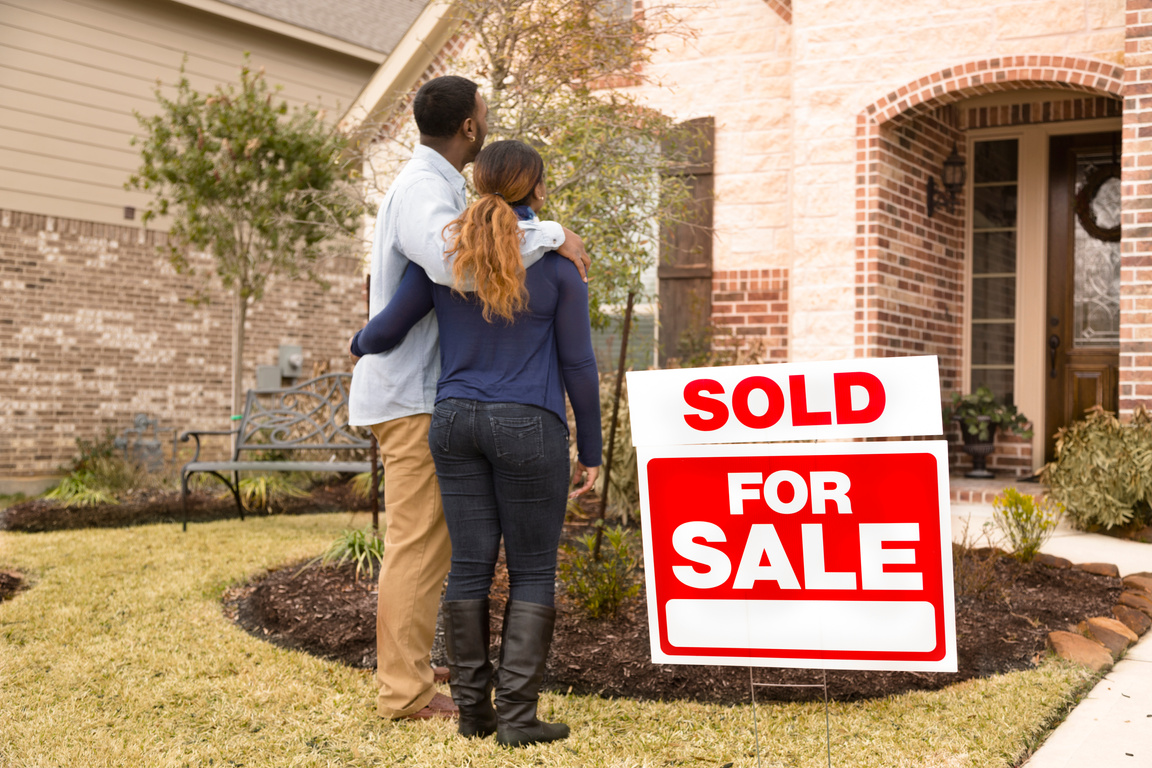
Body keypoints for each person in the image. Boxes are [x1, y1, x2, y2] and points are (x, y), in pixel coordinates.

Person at [347, 75, 591, 722]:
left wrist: (364, 337)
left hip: (440, 397)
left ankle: (424, 669)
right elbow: (458, 264)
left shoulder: (443, 187)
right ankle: (404, 694)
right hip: (416, 396)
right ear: (471, 129)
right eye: (484, 115)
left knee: (445, 549)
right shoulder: (425, 189)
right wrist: (550, 235)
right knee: (420, 545)